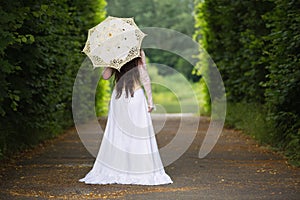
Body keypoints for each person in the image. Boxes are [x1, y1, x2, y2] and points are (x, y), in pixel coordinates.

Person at [79, 49, 173, 185]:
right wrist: (150, 100)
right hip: (136, 96)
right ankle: (140, 169)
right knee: (138, 134)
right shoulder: (138, 51)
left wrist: (109, 62)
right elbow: (144, 76)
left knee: (118, 134)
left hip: (119, 97)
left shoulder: (114, 52)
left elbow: (105, 76)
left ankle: (118, 168)